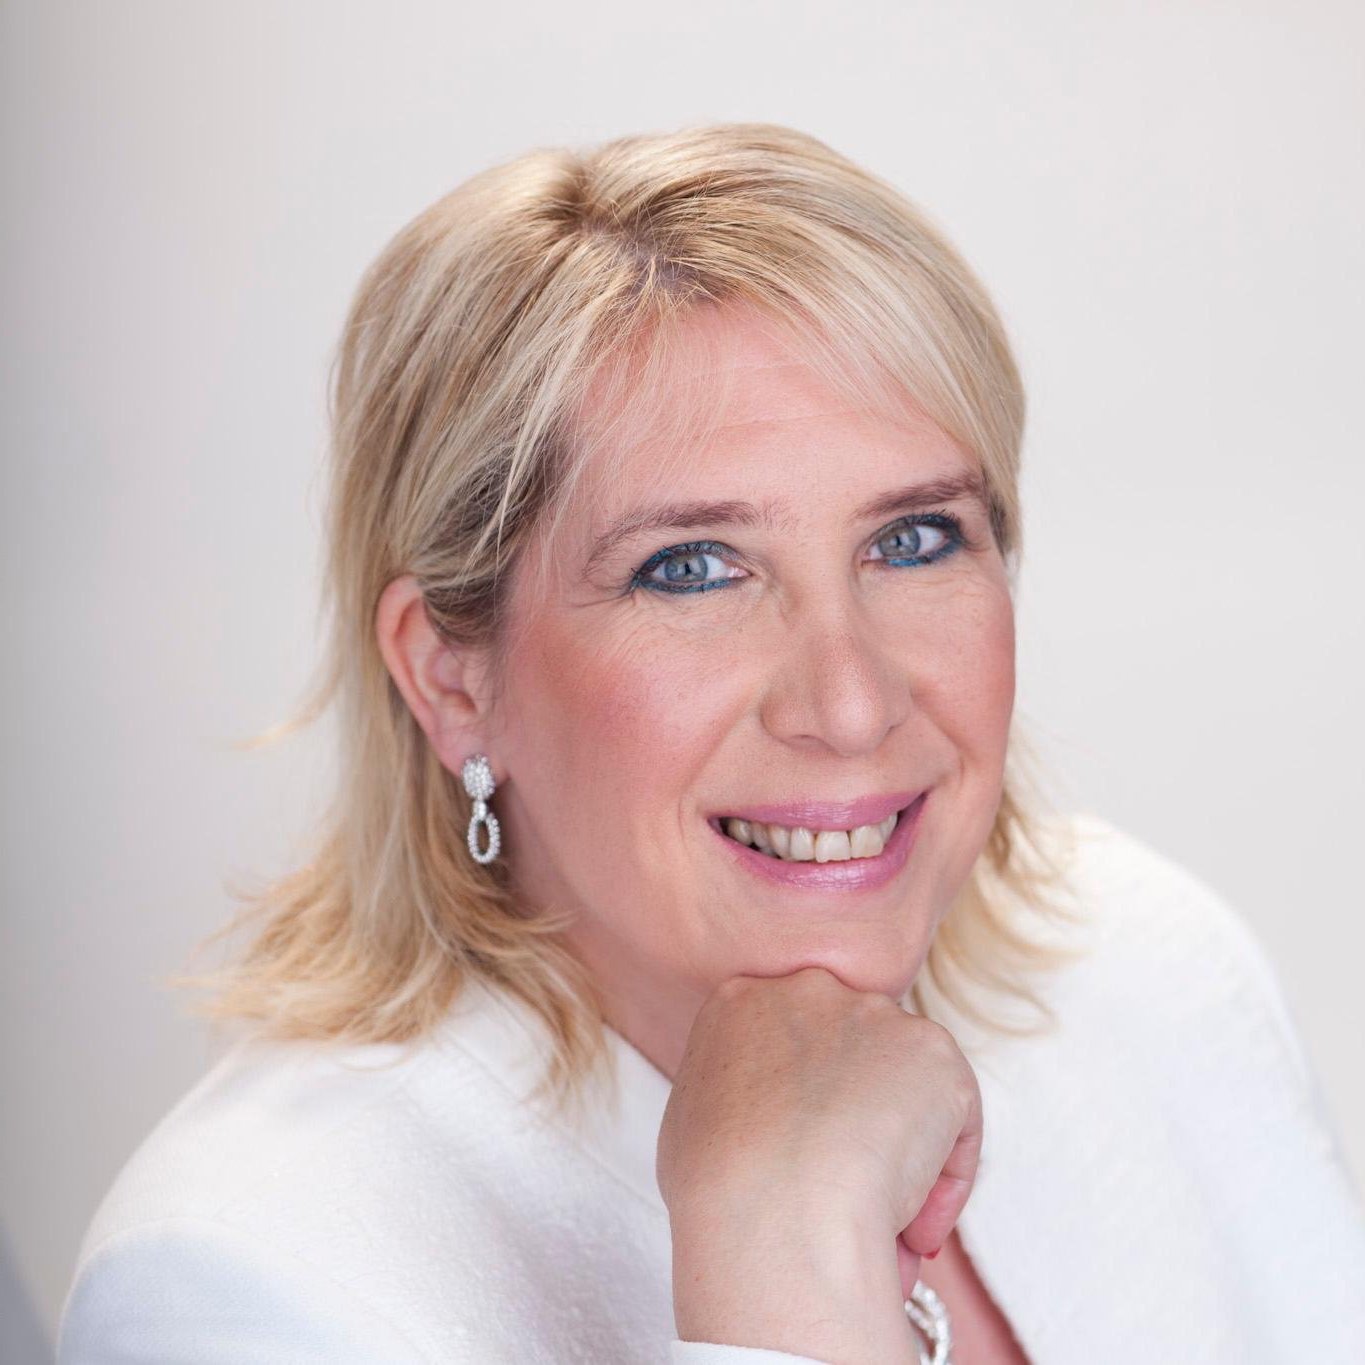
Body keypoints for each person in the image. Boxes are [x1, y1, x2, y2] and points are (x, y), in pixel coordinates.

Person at [57, 122, 1365, 1364]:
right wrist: (775, 1266)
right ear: (452, 676)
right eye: (691, 567)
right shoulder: (249, 1275)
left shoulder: (1148, 965)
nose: (849, 703)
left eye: (913, 539)